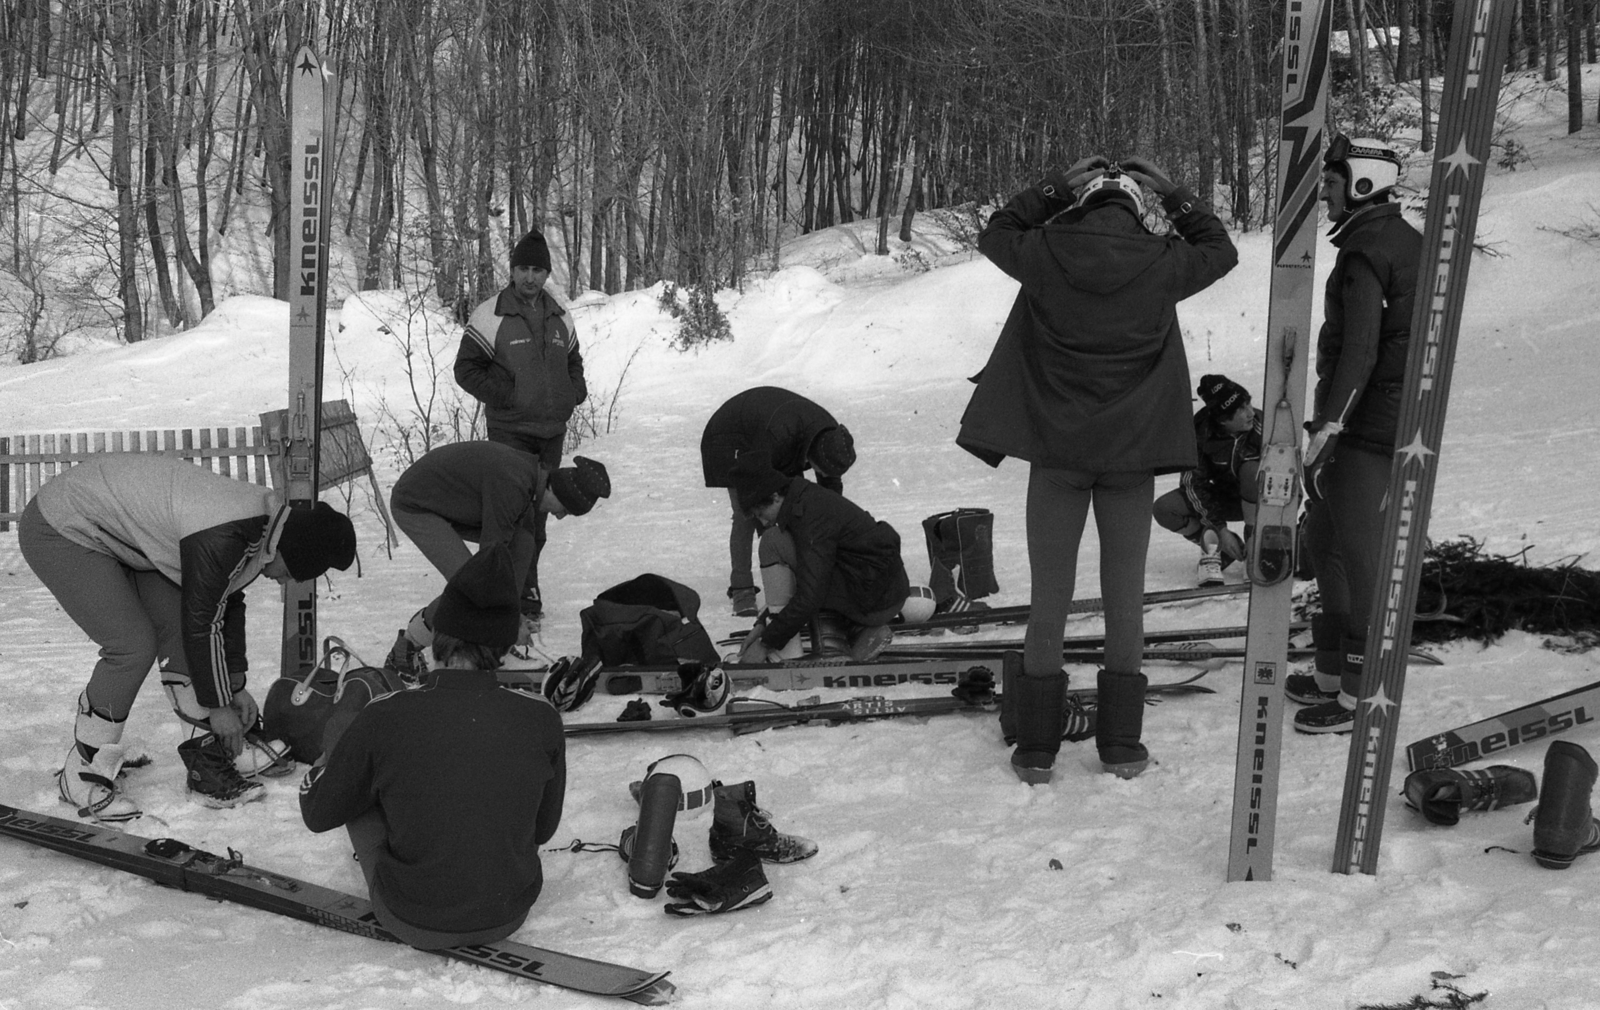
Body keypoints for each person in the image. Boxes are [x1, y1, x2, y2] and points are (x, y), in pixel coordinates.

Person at [958, 155, 1238, 783]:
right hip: (1130, 460)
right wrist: (1173, 191)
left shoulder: (1043, 250)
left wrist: (1054, 186)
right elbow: (1220, 249)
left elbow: (996, 232)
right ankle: (1120, 747)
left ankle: (1036, 751)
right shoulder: (1164, 260)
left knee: (1049, 600)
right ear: (1137, 209)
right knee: (1124, 599)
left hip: (1058, 457)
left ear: (1082, 205)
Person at [18, 454, 357, 820]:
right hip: (63, 524)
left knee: (180, 632)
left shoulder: (262, 526)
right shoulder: (225, 532)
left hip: (120, 534)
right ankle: (81, 771)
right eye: (292, 573)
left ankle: (206, 763)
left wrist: (234, 687)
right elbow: (203, 621)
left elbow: (225, 601)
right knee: (131, 647)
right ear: (293, 551)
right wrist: (219, 707)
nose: (284, 582)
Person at [299, 542, 566, 949]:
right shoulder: (542, 716)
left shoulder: (386, 713)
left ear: (438, 634)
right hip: (509, 911)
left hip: (411, 914)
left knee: (348, 739)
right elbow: (543, 830)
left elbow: (318, 816)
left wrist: (329, 764)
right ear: (503, 644)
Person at [1291, 136, 1422, 734]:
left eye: (1332, 182)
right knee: (1323, 538)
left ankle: (1360, 697)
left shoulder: (1369, 248)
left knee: (1360, 556)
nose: (1325, 192)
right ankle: (1330, 671)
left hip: (1369, 425)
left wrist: (1331, 427)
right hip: (1365, 417)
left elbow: (1362, 348)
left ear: (1363, 183)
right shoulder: (1380, 238)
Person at [454, 229, 587, 625]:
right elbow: (466, 369)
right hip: (510, 433)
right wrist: (508, 396)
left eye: (537, 270)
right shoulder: (491, 314)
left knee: (539, 518)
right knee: (511, 516)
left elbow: (574, 361)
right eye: (523, 269)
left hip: (551, 432)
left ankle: (527, 589)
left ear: (546, 274)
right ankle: (498, 595)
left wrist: (573, 392)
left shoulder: (560, 315)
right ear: (512, 271)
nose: (530, 277)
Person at [386, 441, 610, 673]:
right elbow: (490, 563)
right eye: (565, 509)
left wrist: (512, 616)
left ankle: (498, 645)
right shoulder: (513, 484)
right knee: (474, 586)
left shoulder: (530, 481)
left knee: (522, 544)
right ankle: (407, 646)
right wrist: (511, 623)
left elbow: (510, 552)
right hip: (415, 504)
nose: (560, 516)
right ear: (556, 491)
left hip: (452, 503)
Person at [728, 450, 908, 664]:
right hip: (876, 590)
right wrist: (763, 624)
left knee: (774, 544)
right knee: (785, 549)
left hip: (875, 601)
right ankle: (856, 630)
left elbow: (811, 593)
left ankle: (830, 646)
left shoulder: (810, 516)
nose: (764, 522)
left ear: (775, 497)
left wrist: (766, 643)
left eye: (761, 514)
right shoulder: (802, 499)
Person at [700, 387, 856, 617]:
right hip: (730, 436)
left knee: (793, 507)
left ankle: (792, 574)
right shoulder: (780, 438)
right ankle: (742, 589)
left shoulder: (830, 439)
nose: (823, 474)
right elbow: (763, 491)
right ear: (813, 458)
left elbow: (829, 498)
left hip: (769, 431)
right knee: (749, 512)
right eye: (821, 470)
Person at [1152, 373, 1261, 586]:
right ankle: (1218, 548)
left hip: (1262, 502)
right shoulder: (1200, 431)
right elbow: (1193, 484)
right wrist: (1219, 528)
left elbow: (1287, 475)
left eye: (1248, 403)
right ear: (1222, 420)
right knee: (1165, 509)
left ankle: (1255, 545)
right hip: (1226, 499)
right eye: (1240, 409)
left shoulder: (1264, 425)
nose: (1250, 412)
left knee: (1252, 470)